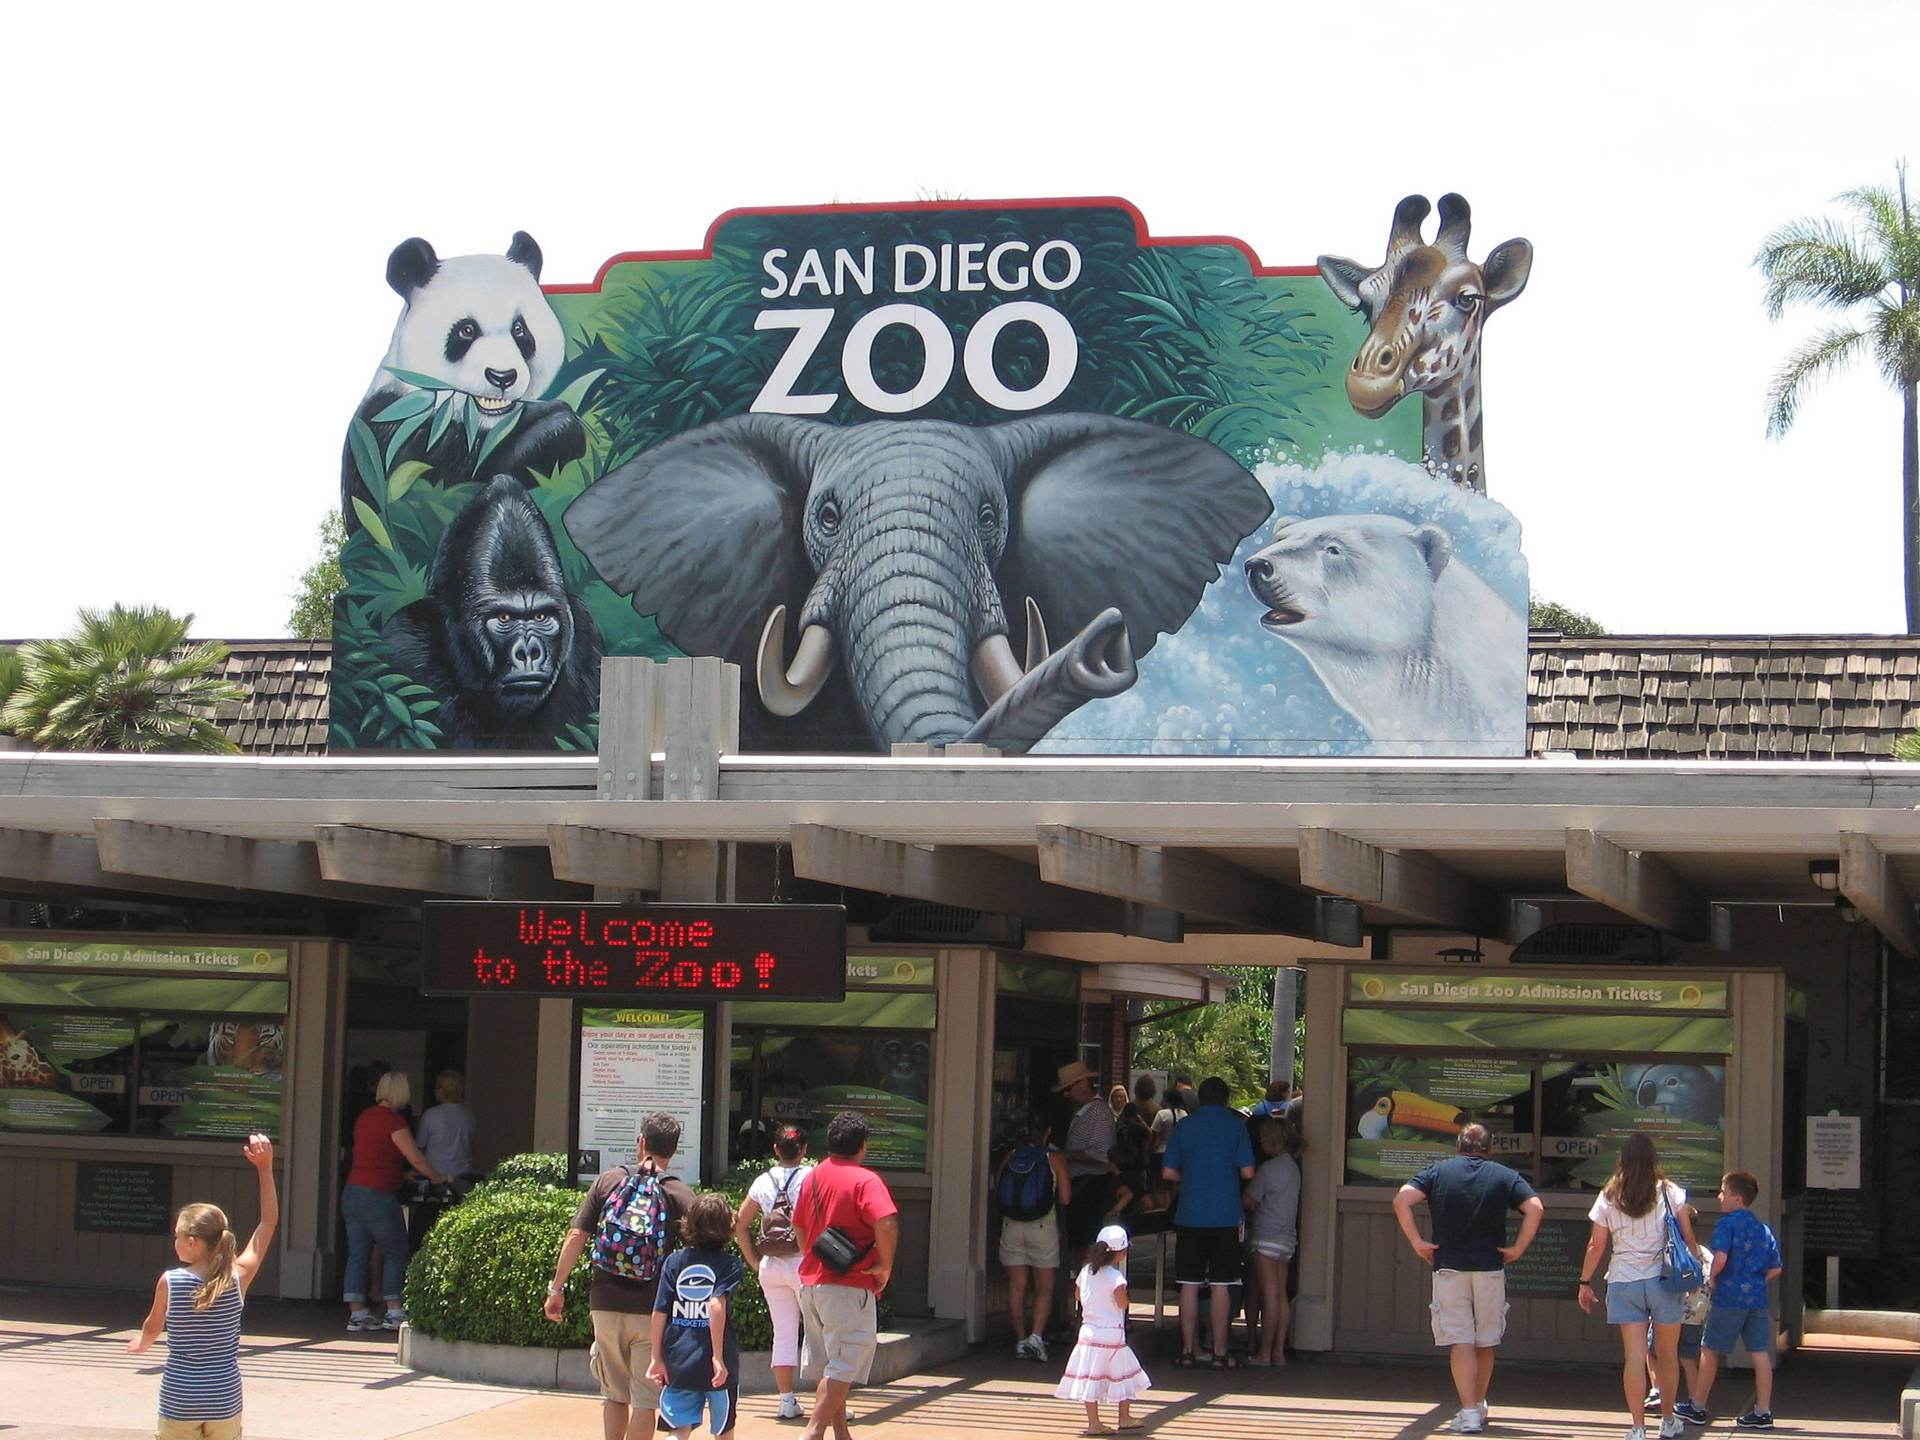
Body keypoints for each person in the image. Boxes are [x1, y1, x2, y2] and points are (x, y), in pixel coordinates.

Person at [545, 1112, 697, 1440]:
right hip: (651, 1310)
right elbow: (702, 1255)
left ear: (641, 1142)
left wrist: (556, 1288)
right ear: (674, 1150)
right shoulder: (679, 1194)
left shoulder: (609, 1181)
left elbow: (576, 1237)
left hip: (605, 1301)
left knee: (614, 1394)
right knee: (645, 1401)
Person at [1392, 1123, 1544, 1434]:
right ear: (1489, 1149)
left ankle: (1469, 1410)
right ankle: (1478, 1403)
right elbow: (1535, 1207)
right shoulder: (1503, 1175)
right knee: (1485, 1341)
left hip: (1449, 1267)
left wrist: (1418, 1242)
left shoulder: (1438, 1172)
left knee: (1460, 1340)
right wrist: (1517, 1249)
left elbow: (1402, 1199)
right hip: (1490, 1267)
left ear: (1458, 1147)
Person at [129, 1134, 278, 1440]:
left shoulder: (171, 1281)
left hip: (180, 1398)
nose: (175, 1241)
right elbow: (268, 1222)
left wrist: (142, 1343)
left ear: (192, 1242)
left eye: (177, 1235)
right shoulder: (238, 1277)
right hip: (223, 1397)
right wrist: (265, 1169)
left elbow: (153, 1326)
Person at [1577, 1132, 1699, 1440]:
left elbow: (1596, 1244)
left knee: (1633, 1358)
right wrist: (1694, 1273)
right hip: (1664, 1281)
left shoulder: (1608, 1195)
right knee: (1668, 1354)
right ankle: (1668, 1420)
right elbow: (1687, 1237)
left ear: (1623, 1159)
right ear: (1653, 1159)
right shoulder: (1671, 1192)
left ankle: (1637, 1427)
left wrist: (1584, 1281)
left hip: (1624, 1279)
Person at [794, 1111, 898, 1440]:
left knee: (830, 1364)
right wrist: (885, 1265)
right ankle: (811, 1433)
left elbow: (798, 1225)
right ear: (862, 1146)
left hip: (812, 1283)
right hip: (848, 1285)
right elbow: (886, 1222)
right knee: (844, 1364)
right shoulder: (865, 1180)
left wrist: (813, 1253)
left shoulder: (811, 1177)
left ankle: (841, 1433)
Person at [342, 1070, 450, 1332]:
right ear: (401, 1092)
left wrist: (400, 1174)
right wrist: (437, 1178)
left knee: (357, 1254)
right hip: (377, 1196)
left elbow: (372, 1156)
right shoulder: (394, 1121)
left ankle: (357, 1314)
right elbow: (415, 1157)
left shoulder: (364, 1117)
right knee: (396, 1250)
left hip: (353, 1191)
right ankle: (394, 1310)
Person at [1162, 1075, 1254, 1368]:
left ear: (1200, 1099)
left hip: (1189, 1213)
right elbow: (1249, 1172)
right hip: (1225, 1214)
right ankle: (1219, 1351)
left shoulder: (1185, 1126)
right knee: (1221, 1284)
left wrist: (1188, 1177)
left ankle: (1188, 1350)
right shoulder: (1235, 1127)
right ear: (1226, 1100)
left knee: (1188, 1284)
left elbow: (1167, 1173)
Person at [1680, 1171, 1783, 1429]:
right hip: (1757, 1299)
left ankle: (1698, 1405)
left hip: (1729, 1297)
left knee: (1710, 1349)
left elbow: (1721, 1258)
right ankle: (1763, 1411)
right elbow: (1776, 1267)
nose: (1719, 1196)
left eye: (1723, 1192)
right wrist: (1755, 1281)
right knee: (1760, 1353)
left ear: (1737, 1198)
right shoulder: (1763, 1229)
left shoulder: (1727, 1224)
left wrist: (1712, 1278)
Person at [647, 1192, 743, 1440]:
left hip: (678, 1359)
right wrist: (718, 1358)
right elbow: (715, 1305)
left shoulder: (674, 1261)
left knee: (679, 1429)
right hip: (718, 1367)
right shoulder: (730, 1264)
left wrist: (656, 1357)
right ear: (727, 1227)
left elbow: (659, 1313)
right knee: (724, 1431)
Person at [734, 1124, 811, 1420]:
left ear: (776, 1150)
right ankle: (831, 1404)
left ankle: (785, 1399)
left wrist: (754, 1262)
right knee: (818, 1334)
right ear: (803, 1150)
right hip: (803, 1264)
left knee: (784, 1334)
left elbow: (740, 1224)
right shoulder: (810, 1177)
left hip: (771, 1267)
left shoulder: (762, 1181)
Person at [1054, 1223, 1149, 1436]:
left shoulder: (1086, 1271)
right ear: (1121, 1252)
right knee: (1124, 1375)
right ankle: (1124, 1417)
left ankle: (1093, 1422)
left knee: (1091, 1378)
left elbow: (1078, 1295)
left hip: (1088, 1334)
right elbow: (1122, 1304)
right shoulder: (1116, 1278)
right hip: (1112, 1335)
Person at [995, 1112, 1071, 1361]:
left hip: (1012, 1226)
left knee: (1016, 1287)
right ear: (1047, 1133)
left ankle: (1019, 1340)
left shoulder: (1012, 1155)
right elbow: (1065, 1199)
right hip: (1043, 1227)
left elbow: (999, 1188)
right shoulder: (1054, 1158)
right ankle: (1036, 1338)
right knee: (1044, 1288)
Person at [1242, 1114, 1304, 1367]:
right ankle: (1279, 1351)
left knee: (1268, 1295)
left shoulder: (1269, 1169)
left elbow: (1249, 1200)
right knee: (1280, 1294)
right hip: (1287, 1237)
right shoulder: (1293, 1167)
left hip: (1266, 1235)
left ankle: (1264, 1353)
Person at [1056, 1062, 1117, 1273]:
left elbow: (1102, 1154)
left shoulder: (1098, 1112)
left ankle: (1089, 1287)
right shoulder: (1084, 1113)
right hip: (1082, 1187)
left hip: (1090, 1187)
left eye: (1069, 1088)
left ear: (1083, 1083)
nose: (1067, 1094)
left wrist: (1066, 1155)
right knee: (1079, 1243)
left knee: (1086, 1244)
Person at [414, 1068, 476, 1190]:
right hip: (462, 1174)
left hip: (434, 1175)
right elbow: (471, 1146)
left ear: (441, 1091)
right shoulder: (468, 1115)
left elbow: (420, 1146)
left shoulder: (431, 1115)